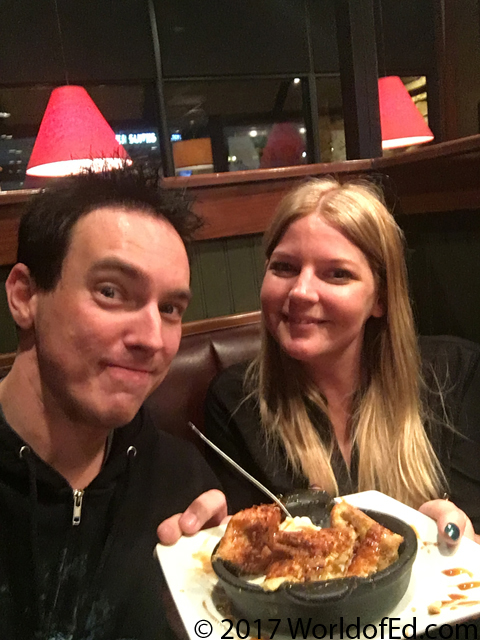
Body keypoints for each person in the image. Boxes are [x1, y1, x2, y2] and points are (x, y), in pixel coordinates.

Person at [0, 167, 227, 639]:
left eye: (169, 309)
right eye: (111, 292)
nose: (152, 339)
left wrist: (218, 611)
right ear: (25, 297)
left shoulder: (182, 482)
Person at [204, 177, 480, 545]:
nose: (301, 291)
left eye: (337, 274)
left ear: (379, 299)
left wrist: (461, 538)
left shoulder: (456, 373)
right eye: (284, 267)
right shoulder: (237, 401)